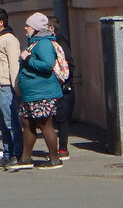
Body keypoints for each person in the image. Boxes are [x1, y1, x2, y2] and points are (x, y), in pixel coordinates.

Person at [9, 12, 63, 171]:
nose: (25, 28)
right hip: (31, 93)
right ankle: (26, 159)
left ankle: (54, 159)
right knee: (27, 122)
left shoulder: (44, 43)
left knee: (44, 123)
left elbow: (47, 65)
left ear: (36, 28)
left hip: (42, 92)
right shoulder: (34, 42)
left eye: (28, 26)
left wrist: (27, 59)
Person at [0, 8, 22, 168]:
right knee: (2, 124)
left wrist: (16, 88)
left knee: (11, 123)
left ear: (1, 22)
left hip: (6, 87)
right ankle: (7, 154)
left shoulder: (9, 40)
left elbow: (14, 64)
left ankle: (17, 154)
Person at [48, 15, 75, 160]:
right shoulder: (49, 42)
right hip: (54, 85)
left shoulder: (60, 42)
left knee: (61, 118)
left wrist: (66, 81)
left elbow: (69, 63)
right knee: (53, 118)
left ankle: (63, 149)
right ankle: (55, 150)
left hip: (61, 85)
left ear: (51, 29)